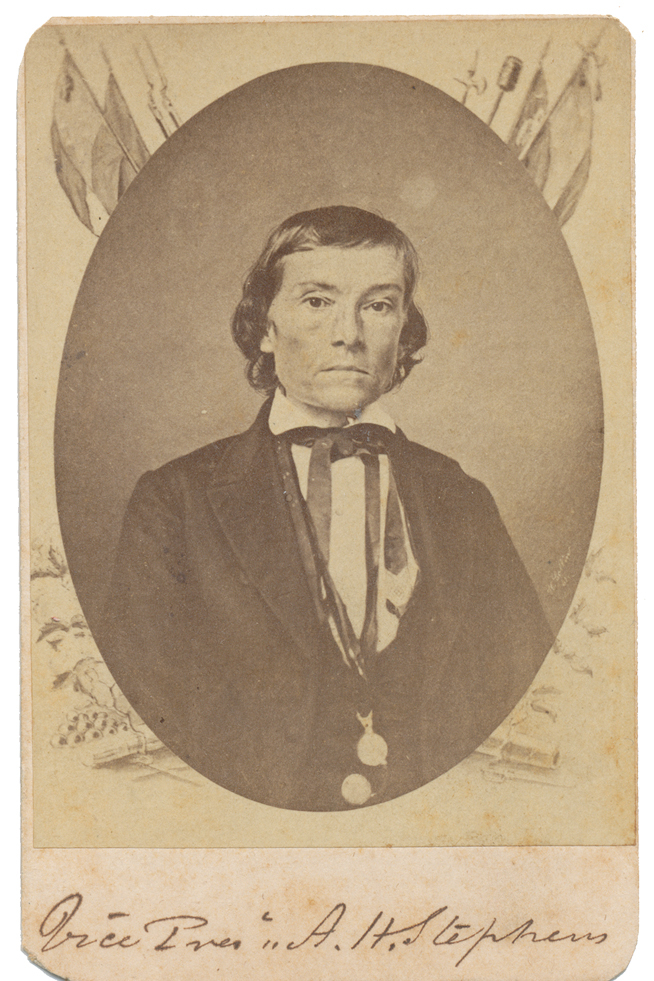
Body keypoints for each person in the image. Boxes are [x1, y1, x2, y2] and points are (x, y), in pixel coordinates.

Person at [100, 206, 552, 811]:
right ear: (266, 327)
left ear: (404, 331)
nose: (349, 334)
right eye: (317, 301)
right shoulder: (176, 501)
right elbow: (146, 723)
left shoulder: (463, 499)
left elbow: (530, 702)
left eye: (378, 305)